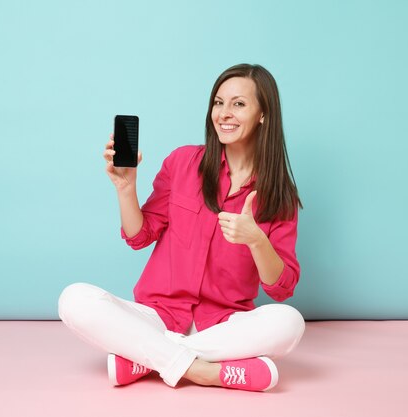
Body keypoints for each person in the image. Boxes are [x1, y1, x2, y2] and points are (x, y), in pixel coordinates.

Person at [59, 64, 305, 392]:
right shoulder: (183, 163)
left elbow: (281, 287)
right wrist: (125, 188)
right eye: (218, 102)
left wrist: (257, 240)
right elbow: (139, 236)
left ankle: (146, 357)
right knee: (73, 299)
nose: (224, 113)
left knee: (289, 322)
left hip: (221, 327)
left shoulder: (280, 193)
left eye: (239, 104)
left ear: (264, 114)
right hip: (158, 315)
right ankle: (204, 371)